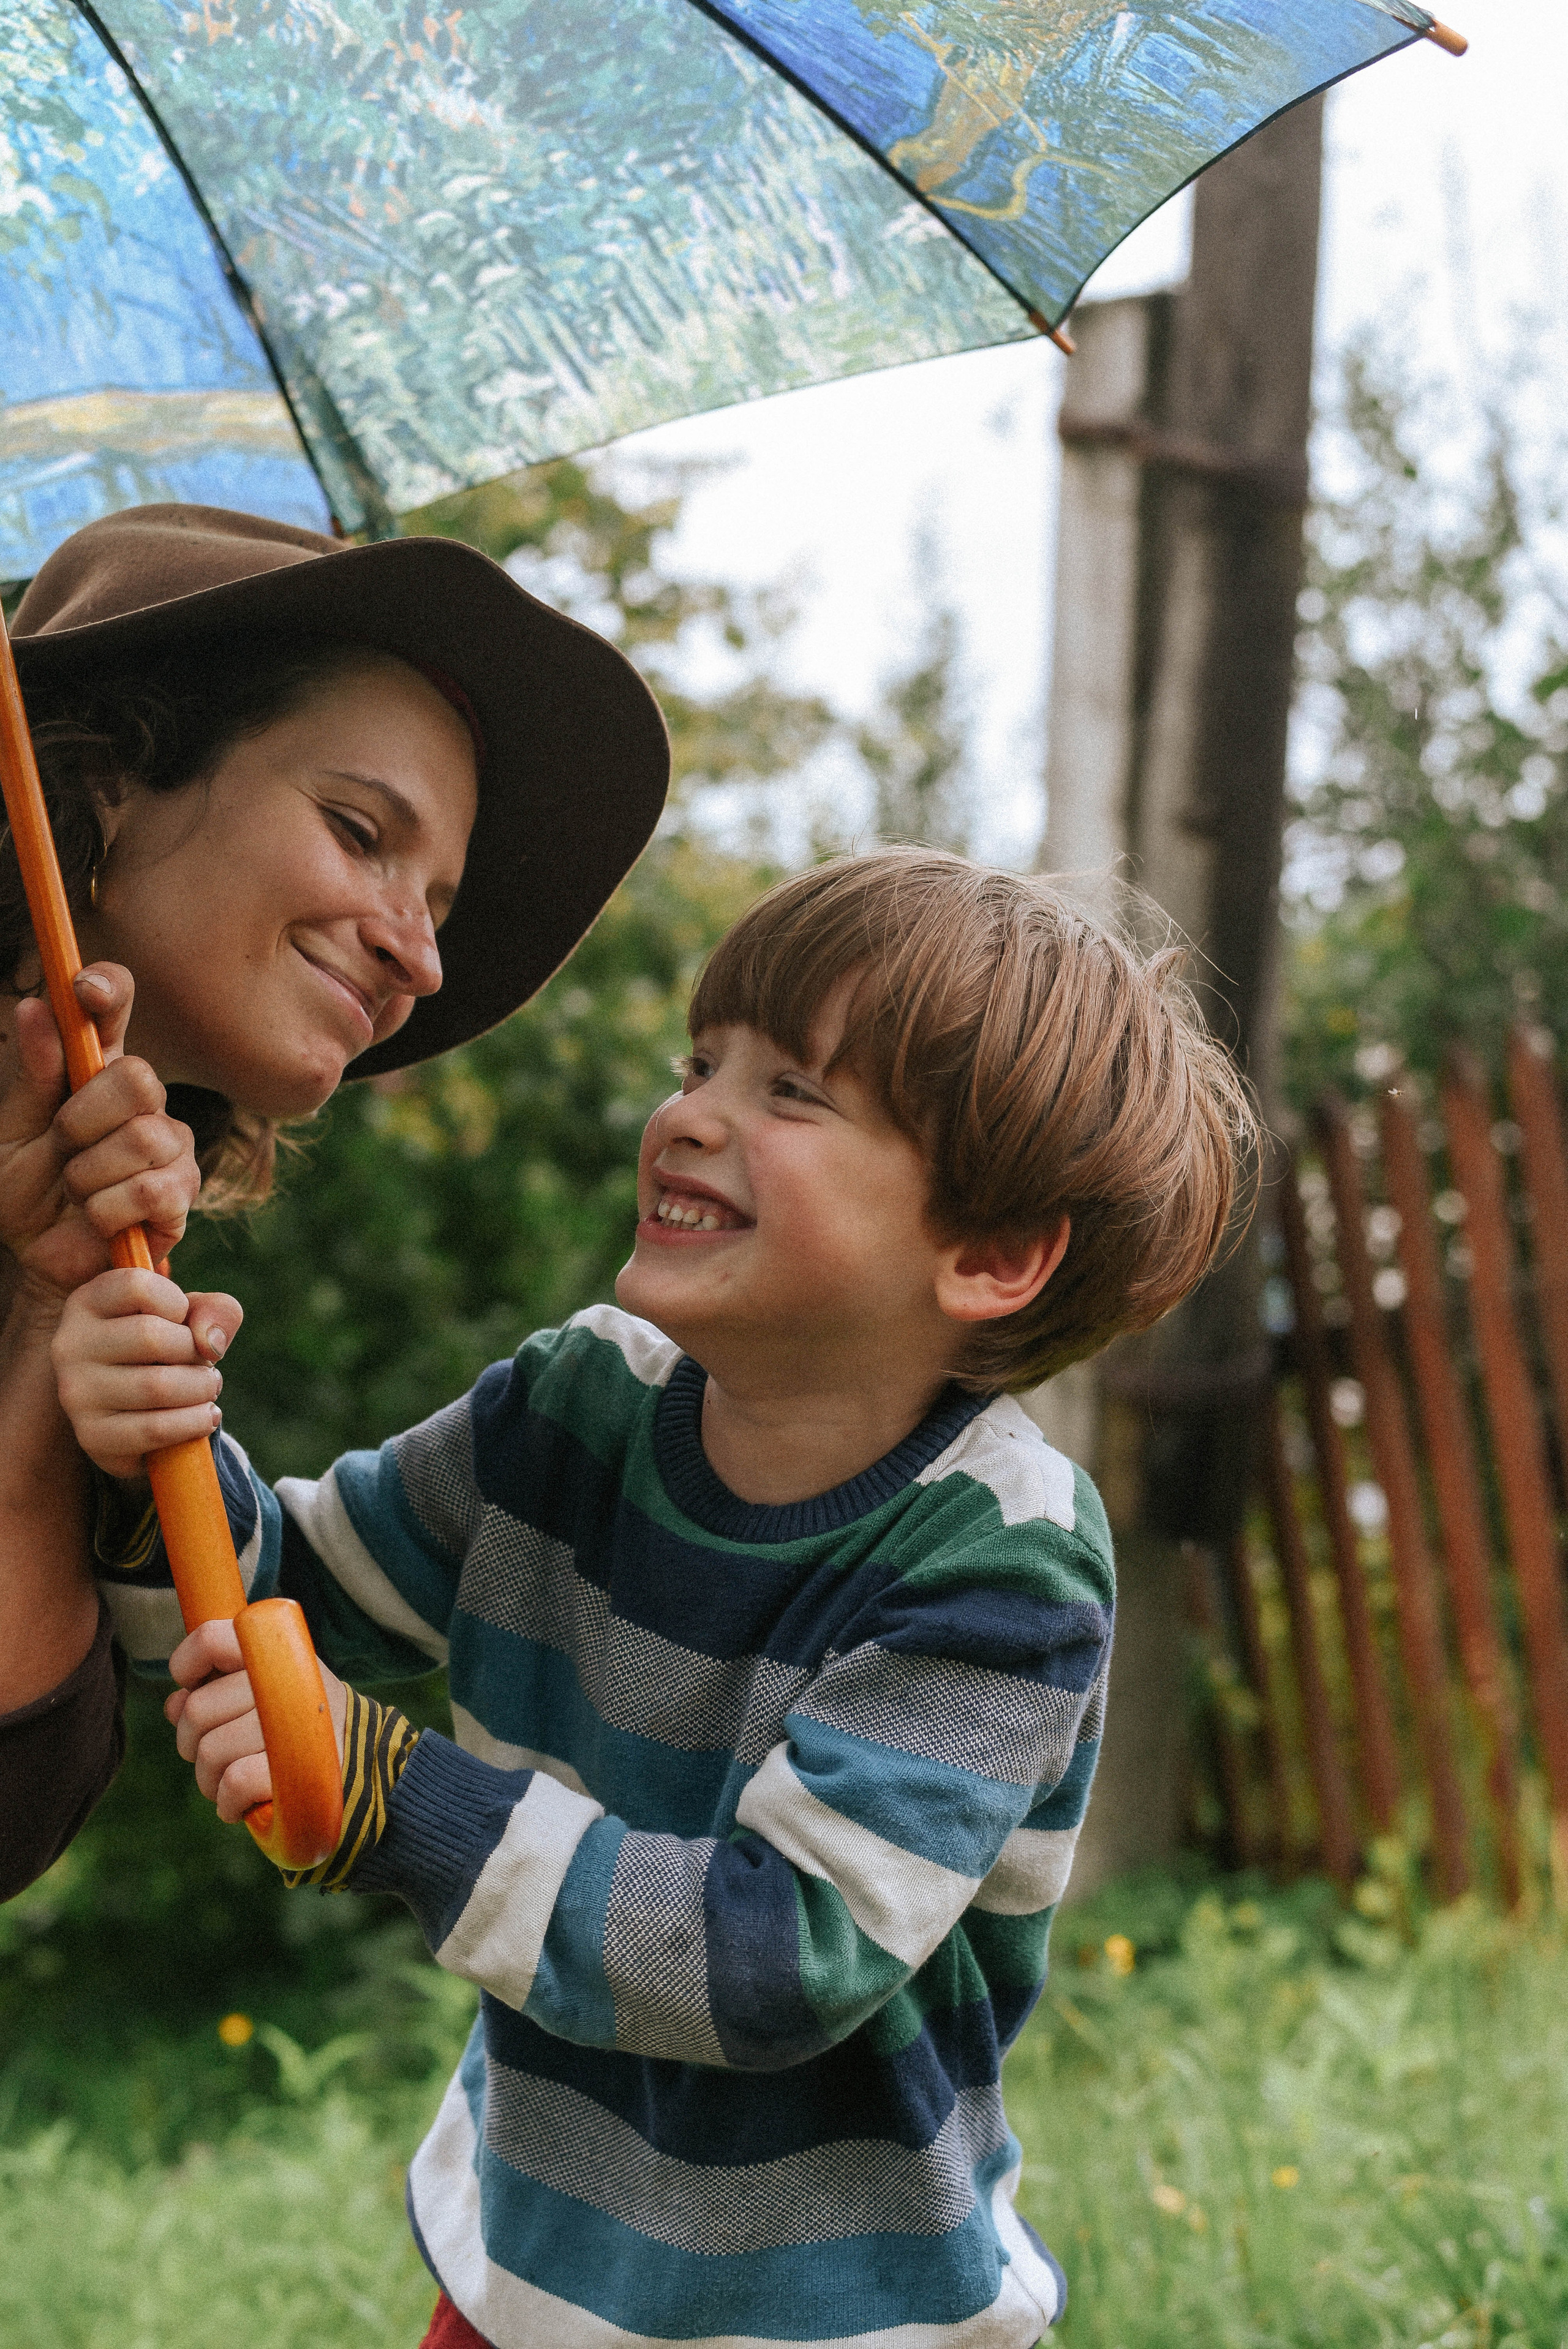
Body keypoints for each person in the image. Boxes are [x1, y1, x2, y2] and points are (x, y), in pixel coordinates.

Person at [53, 850, 1256, 2349]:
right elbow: (288, 1593)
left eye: (791, 1094)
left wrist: (392, 1801)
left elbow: (776, 1954)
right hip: (526, 2270)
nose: (688, 1113)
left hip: (830, 2321)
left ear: (991, 1255)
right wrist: (140, 1448)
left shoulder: (998, 1559)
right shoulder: (580, 1406)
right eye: (702, 1062)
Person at [0, 499, 668, 1899]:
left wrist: (41, 1330)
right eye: (362, 833)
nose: (419, 956)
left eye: (436, 894)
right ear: (113, 780)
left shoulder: (91, 1250)